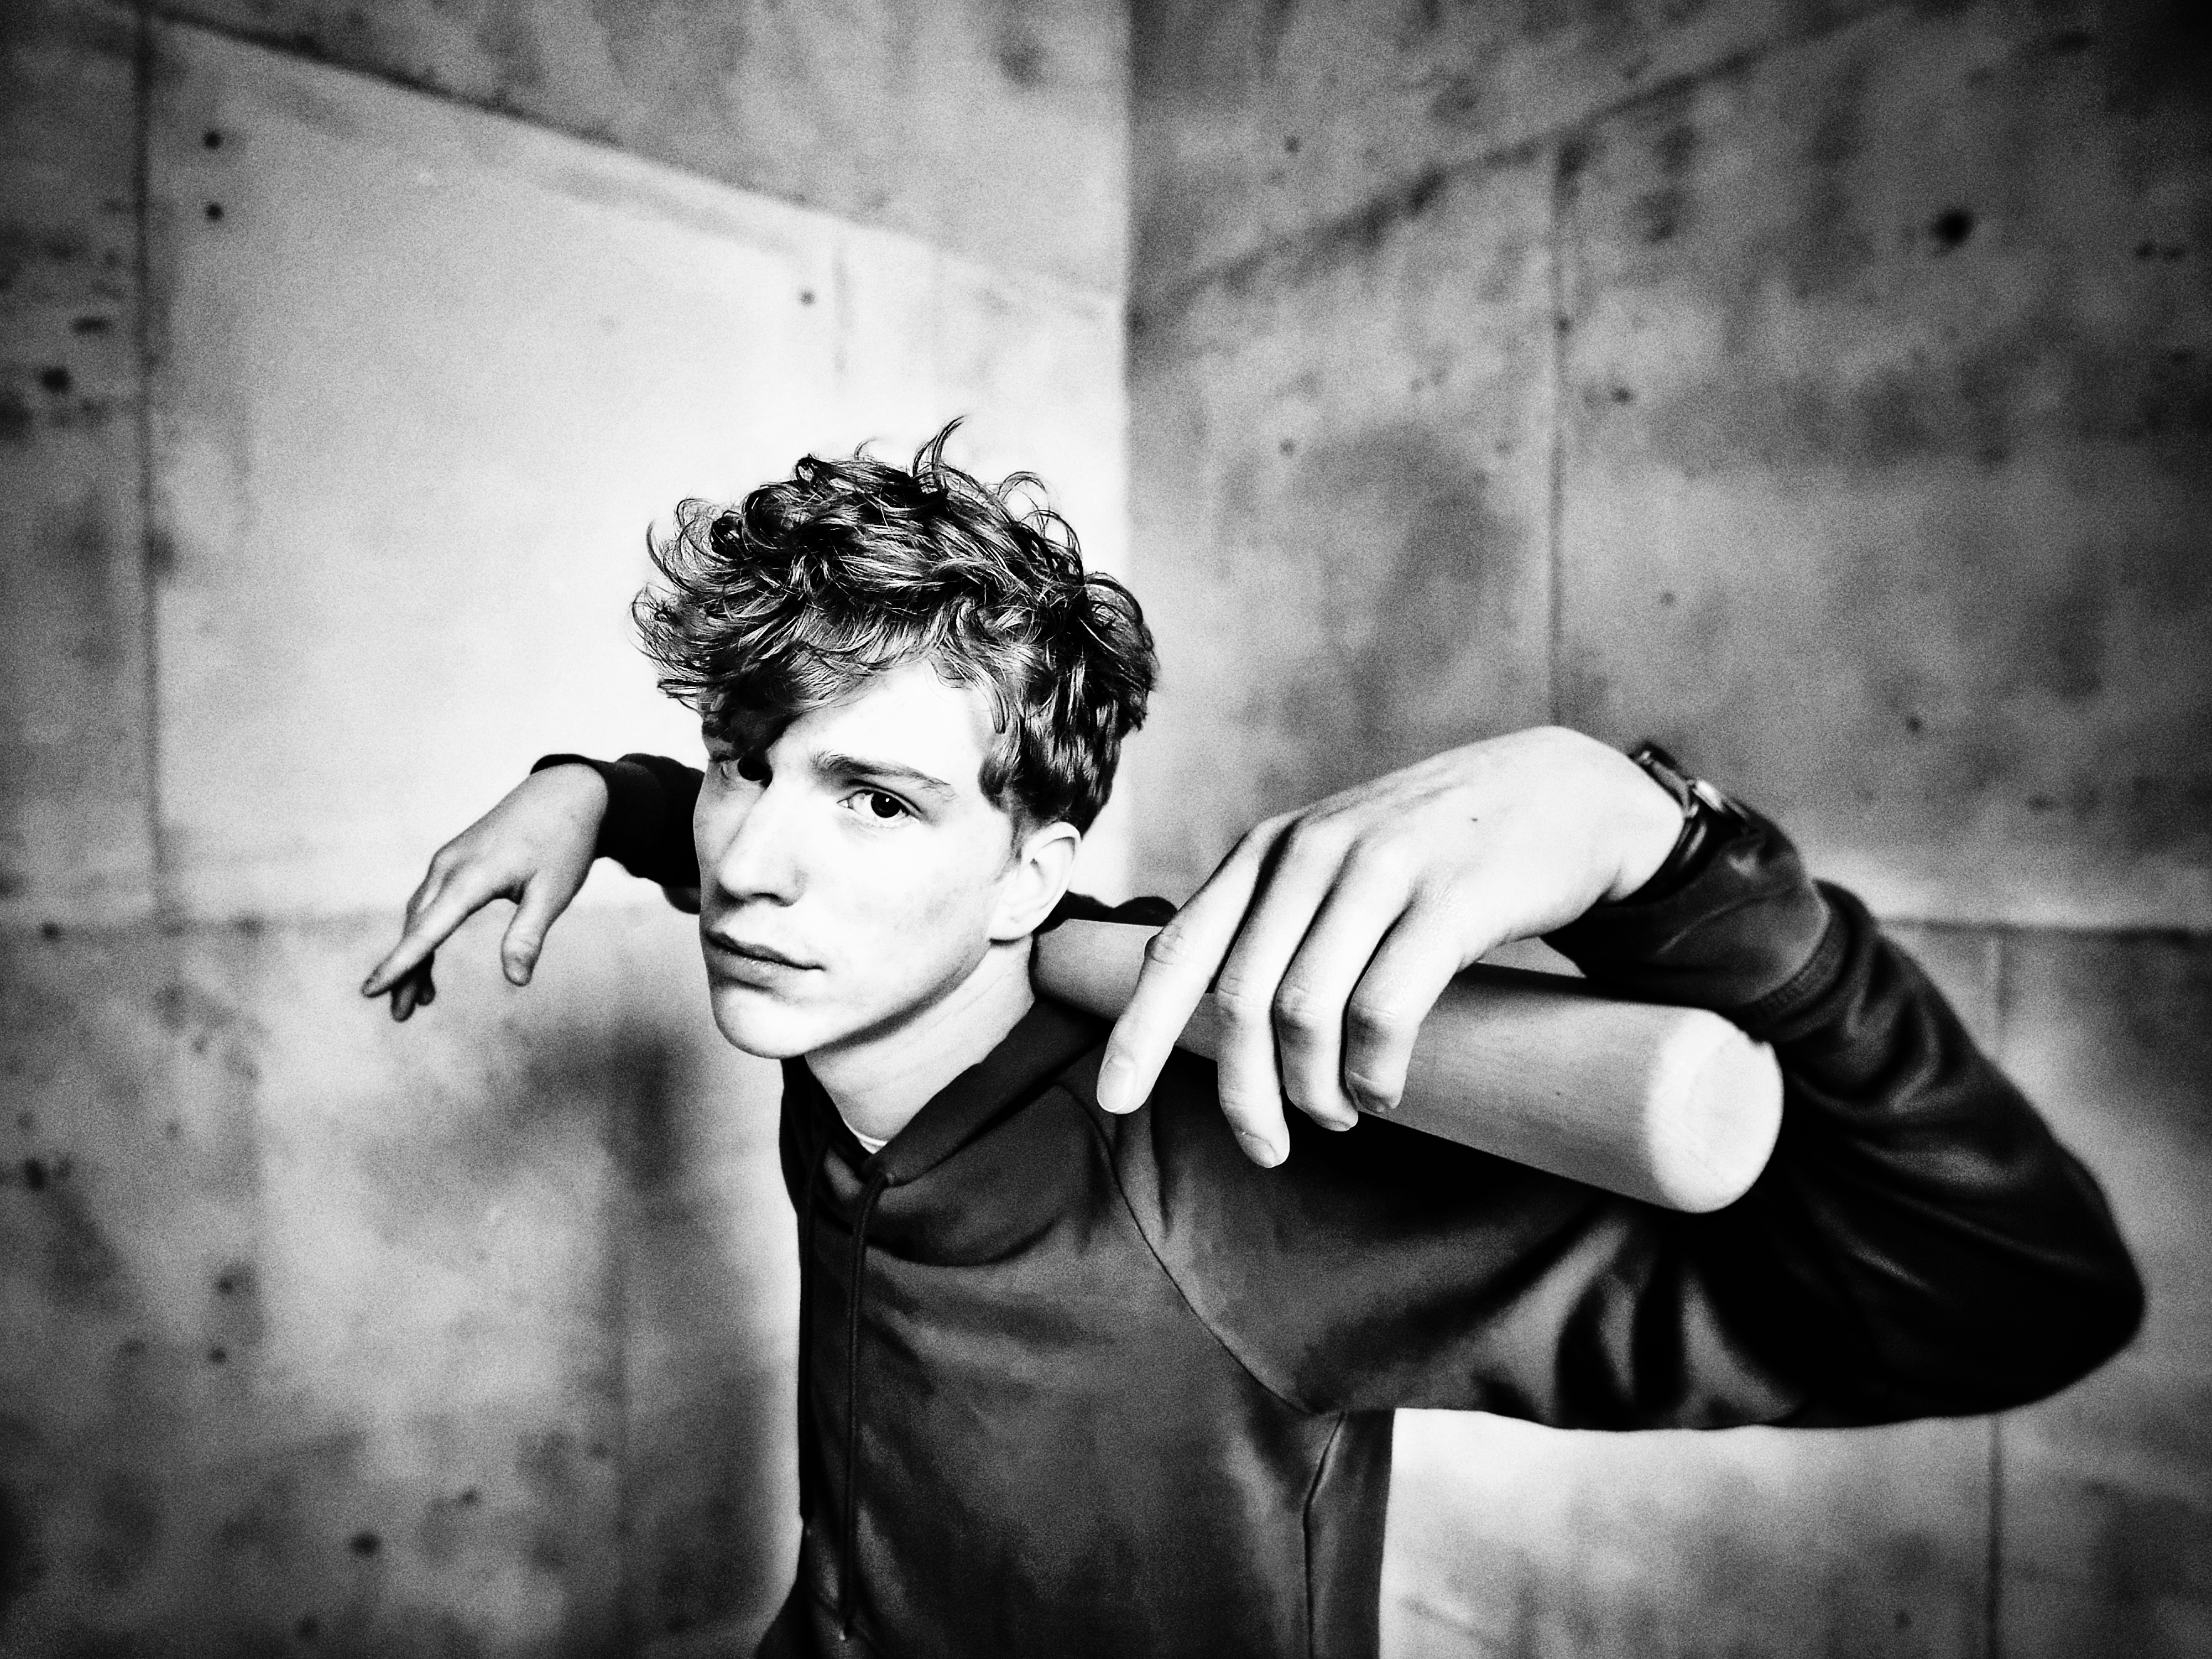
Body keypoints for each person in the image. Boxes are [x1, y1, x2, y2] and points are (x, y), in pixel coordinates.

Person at [362, 427, 2142, 1659]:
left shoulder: (1225, 1162)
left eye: (878, 799)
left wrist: (1670, 856)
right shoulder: (849, 974)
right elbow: (734, 837)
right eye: (747, 762)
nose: (755, 860)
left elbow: (2016, 1290)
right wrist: (595, 794)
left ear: (1031, 875)